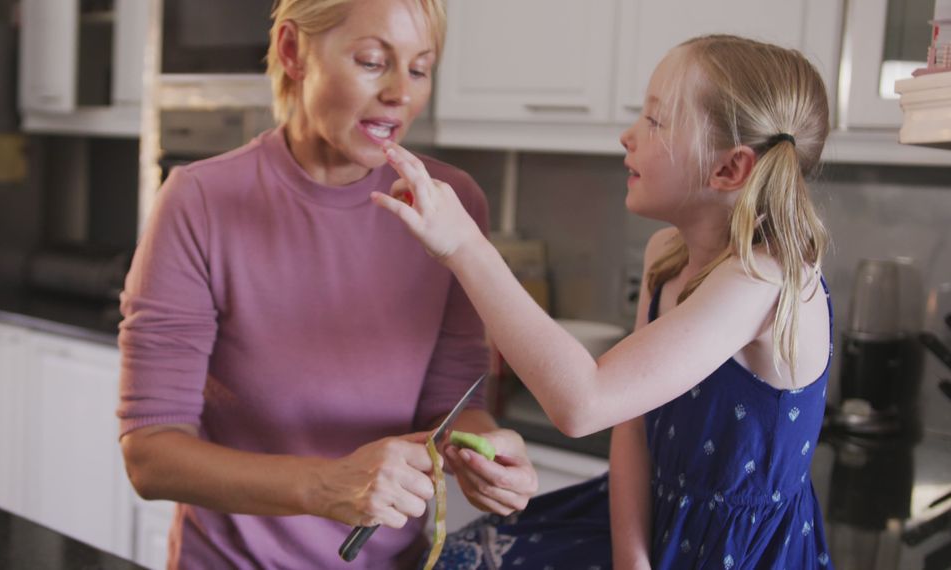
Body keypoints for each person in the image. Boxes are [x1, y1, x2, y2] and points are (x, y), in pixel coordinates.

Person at [374, 34, 836, 569]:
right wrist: (632, 559)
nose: (628, 135)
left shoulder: (765, 279)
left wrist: (465, 246)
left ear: (729, 170)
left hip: (734, 553)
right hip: (639, 519)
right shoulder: (668, 254)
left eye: (656, 122)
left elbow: (583, 402)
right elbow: (632, 424)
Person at [115, 1, 538, 568]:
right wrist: (323, 486)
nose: (400, 93)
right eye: (371, 61)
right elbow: (152, 456)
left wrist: (485, 450)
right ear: (292, 51)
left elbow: (450, 402)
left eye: (419, 69)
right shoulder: (198, 201)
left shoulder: (450, 207)